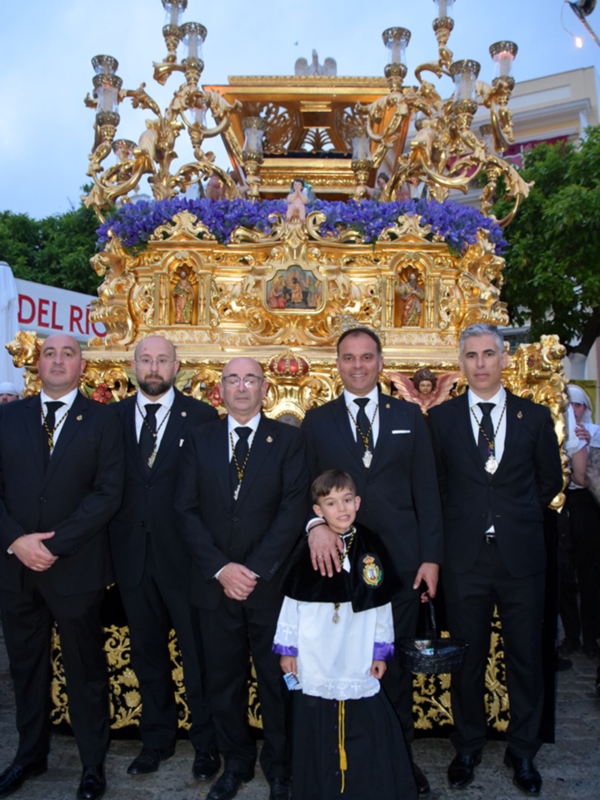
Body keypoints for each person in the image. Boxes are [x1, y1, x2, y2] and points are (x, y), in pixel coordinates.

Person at [301, 327, 443, 796]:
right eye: (348, 358)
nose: (357, 365)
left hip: (401, 567)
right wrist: (314, 526)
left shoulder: (409, 416)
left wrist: (431, 559)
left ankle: (400, 762)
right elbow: (303, 491)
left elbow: (427, 491)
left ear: (381, 362)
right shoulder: (317, 421)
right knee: (345, 665)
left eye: (366, 357)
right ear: (336, 363)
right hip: (339, 570)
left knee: (393, 670)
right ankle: (347, 761)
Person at [428, 322, 563, 796]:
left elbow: (550, 482)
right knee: (468, 658)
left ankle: (523, 751)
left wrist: (514, 515)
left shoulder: (535, 416)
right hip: (465, 560)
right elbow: (436, 487)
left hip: (521, 558)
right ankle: (467, 746)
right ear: (460, 362)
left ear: (504, 359)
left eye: (489, 354)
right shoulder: (440, 420)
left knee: (526, 656)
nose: (481, 363)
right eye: (471, 355)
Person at [175, 357, 309, 800]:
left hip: (268, 587)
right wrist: (222, 568)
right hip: (215, 586)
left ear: (264, 388)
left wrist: (252, 569)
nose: (242, 387)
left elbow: (293, 512)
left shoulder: (289, 440)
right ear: (221, 389)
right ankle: (236, 763)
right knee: (223, 681)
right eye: (232, 379)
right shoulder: (199, 439)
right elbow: (185, 510)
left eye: (250, 379)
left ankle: (281, 767)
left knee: (277, 681)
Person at [0, 333, 125, 800]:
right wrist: (15, 540)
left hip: (75, 568)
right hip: (15, 569)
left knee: (85, 670)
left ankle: (92, 765)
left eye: (67, 353)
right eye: (49, 353)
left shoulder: (104, 420)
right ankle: (28, 757)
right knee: (26, 669)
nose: (57, 360)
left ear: (82, 367)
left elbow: (108, 493)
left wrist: (53, 546)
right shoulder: (7, 416)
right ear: (37, 364)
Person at [108, 335, 220, 780]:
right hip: (132, 558)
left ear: (178, 367)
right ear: (133, 365)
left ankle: (206, 744)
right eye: (146, 359)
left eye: (162, 360)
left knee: (198, 658)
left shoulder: (202, 417)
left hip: (186, 560)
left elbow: (209, 493)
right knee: (148, 656)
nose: (154, 367)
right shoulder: (110, 418)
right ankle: (156, 740)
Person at [274, 470, 418, 800]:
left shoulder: (371, 544)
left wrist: (380, 652)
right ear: (318, 511)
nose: (342, 509)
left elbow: (381, 605)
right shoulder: (309, 548)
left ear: (358, 502)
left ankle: (363, 786)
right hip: (316, 649)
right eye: (331, 502)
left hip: (357, 647)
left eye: (347, 500)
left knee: (364, 719)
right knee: (319, 720)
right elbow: (292, 603)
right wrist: (288, 649)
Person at [558, 385, 600, 660]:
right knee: (563, 576)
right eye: (570, 405)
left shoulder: (595, 433)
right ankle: (571, 636)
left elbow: (585, 478)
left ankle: (591, 636)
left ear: (587, 408)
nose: (575, 410)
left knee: (591, 576)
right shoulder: (554, 429)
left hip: (588, 507)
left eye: (580, 405)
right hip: (561, 506)